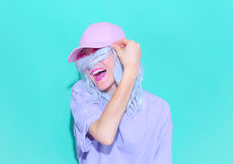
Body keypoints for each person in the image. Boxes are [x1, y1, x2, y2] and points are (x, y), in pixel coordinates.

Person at [67, 22, 173, 164]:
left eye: (98, 52)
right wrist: (131, 71)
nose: (91, 63)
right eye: (85, 56)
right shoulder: (83, 94)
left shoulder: (158, 109)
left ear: (121, 54)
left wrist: (130, 70)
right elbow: (104, 134)